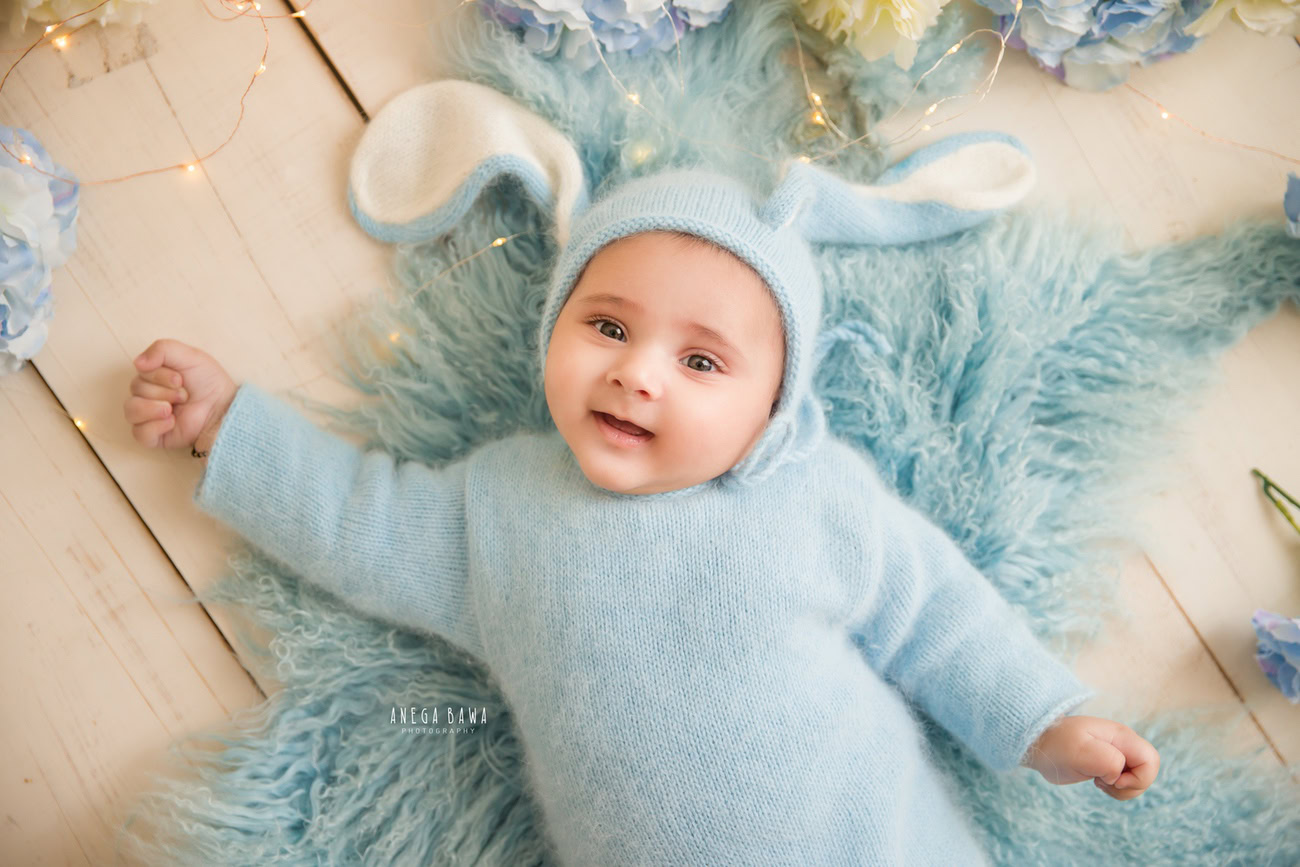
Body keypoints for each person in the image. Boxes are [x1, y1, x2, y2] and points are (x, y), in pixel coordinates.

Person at [125, 219, 1159, 865]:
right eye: (608, 328)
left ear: (775, 408)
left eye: (702, 361)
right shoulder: (502, 508)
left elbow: (939, 616)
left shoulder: (813, 499)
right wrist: (232, 428)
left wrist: (1044, 723)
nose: (637, 374)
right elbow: (360, 521)